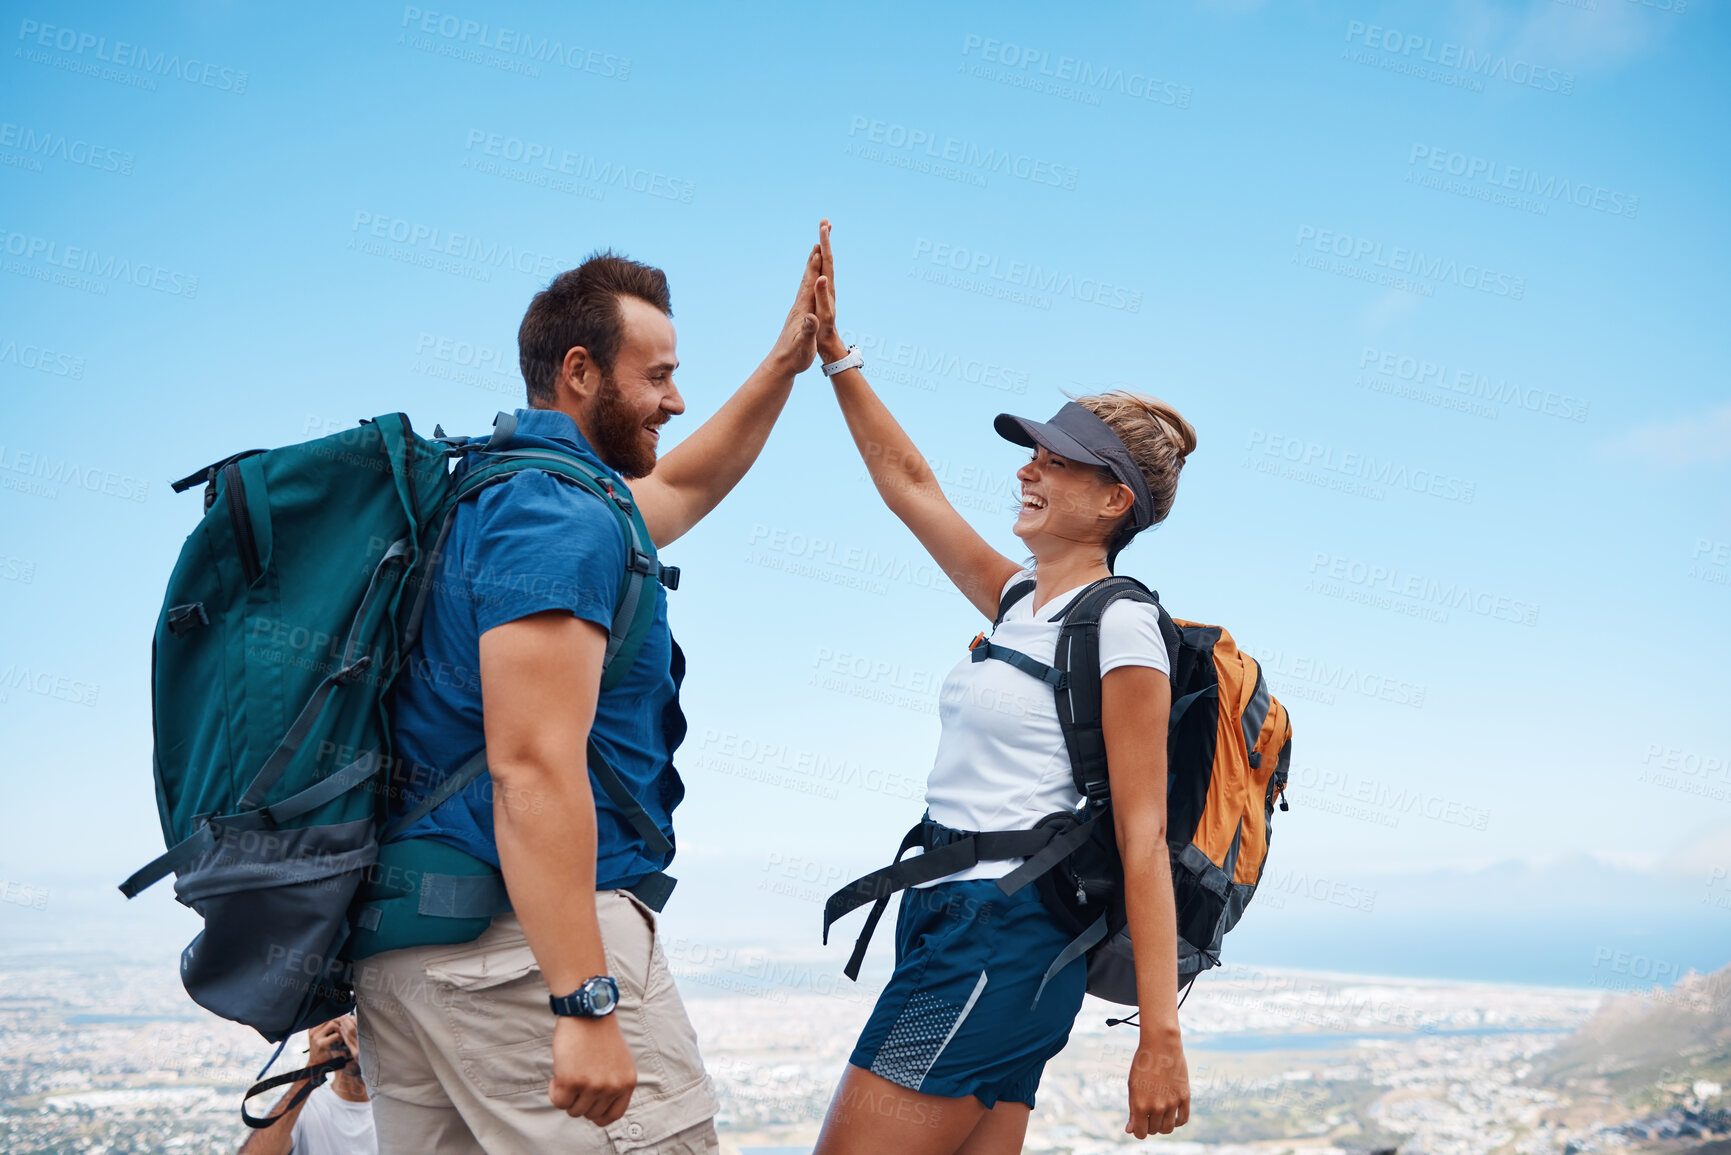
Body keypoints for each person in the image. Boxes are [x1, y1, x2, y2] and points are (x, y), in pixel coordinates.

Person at [353, 245, 822, 1154]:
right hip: (517, 955)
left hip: (413, 957)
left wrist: (786, 364)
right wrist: (585, 996)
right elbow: (528, 761)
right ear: (579, 372)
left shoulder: (487, 498)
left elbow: (683, 483)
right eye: (658, 376)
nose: (675, 400)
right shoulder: (557, 517)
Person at [807, 219, 1196, 1153]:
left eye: (1058, 458)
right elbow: (912, 486)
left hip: (998, 932)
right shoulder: (1021, 597)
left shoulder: (1121, 625)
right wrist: (836, 359)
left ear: (1113, 502)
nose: (1028, 466)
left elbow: (1141, 838)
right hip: (951, 916)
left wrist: (1161, 1037)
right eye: (1034, 451)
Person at [239, 1015, 376, 1155]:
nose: (351, 1037)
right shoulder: (301, 1108)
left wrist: (375, 1067)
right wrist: (313, 1068)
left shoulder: (392, 1106)